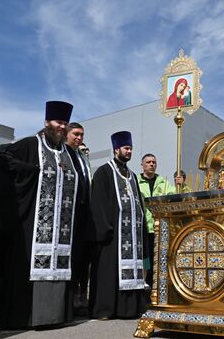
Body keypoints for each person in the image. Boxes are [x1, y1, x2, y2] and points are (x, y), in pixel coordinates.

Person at [0, 101, 78, 329]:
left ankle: (55, 316)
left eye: (64, 123)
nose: (61, 127)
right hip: (32, 224)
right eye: (58, 122)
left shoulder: (69, 154)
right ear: (46, 123)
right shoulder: (32, 144)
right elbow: (2, 156)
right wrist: (31, 172)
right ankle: (28, 318)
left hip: (62, 229)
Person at [88, 131, 147, 319]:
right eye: (126, 148)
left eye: (131, 148)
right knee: (109, 273)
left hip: (132, 234)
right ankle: (106, 309)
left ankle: (129, 309)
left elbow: (138, 202)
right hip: (113, 233)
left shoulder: (132, 175)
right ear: (116, 149)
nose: (129, 151)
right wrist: (105, 228)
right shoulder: (104, 171)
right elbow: (97, 202)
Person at [137, 154, 177, 289]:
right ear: (142, 165)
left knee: (159, 258)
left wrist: (180, 186)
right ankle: (144, 282)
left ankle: (158, 285)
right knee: (145, 258)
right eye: (148, 162)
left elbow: (175, 197)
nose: (151, 164)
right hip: (143, 227)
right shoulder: (136, 181)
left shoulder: (163, 182)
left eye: (154, 162)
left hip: (159, 229)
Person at [66, 122, 92, 314]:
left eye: (81, 135)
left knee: (82, 259)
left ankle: (80, 294)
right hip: (68, 213)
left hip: (83, 213)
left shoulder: (82, 158)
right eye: (75, 134)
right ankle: (70, 296)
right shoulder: (63, 152)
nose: (79, 138)